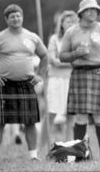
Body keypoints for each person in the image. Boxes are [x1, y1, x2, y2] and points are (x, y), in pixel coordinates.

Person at [0, 4, 48, 162]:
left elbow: (45, 56)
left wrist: (40, 74)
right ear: (6, 19)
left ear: (22, 17)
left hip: (26, 84)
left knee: (30, 121)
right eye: (12, 16)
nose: (16, 18)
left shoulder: (32, 37)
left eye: (18, 16)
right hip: (5, 84)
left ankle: (33, 155)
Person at [59, 0, 100, 162]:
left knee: (99, 117)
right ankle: (79, 153)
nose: (93, 12)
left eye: (95, 10)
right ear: (81, 13)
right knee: (80, 117)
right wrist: (75, 54)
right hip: (79, 74)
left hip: (98, 74)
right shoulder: (72, 31)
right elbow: (62, 56)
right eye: (89, 10)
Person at [39, 10, 78, 149]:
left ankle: (68, 147)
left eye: (73, 21)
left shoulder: (77, 39)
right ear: (61, 24)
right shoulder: (54, 39)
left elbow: (80, 60)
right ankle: (41, 147)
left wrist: (67, 61)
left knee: (70, 116)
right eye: (68, 21)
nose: (71, 24)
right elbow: (52, 60)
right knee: (50, 114)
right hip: (56, 80)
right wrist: (70, 61)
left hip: (72, 80)